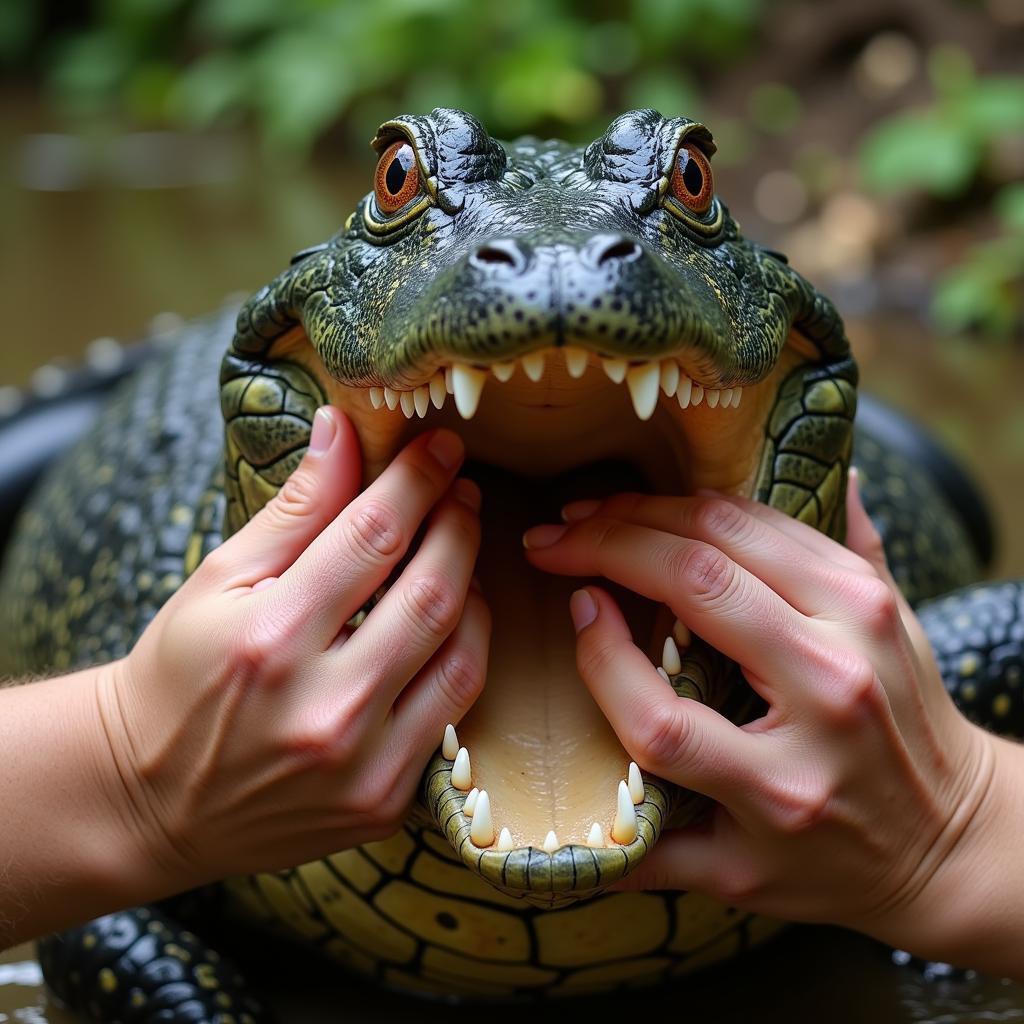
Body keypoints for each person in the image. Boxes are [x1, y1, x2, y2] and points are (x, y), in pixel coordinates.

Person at [1, 406, 1020, 982]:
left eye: (689, 190)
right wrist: (128, 765)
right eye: (401, 183)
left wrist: (960, 819)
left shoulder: (887, 674)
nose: (545, 277)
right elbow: (93, 925)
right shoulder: (178, 640)